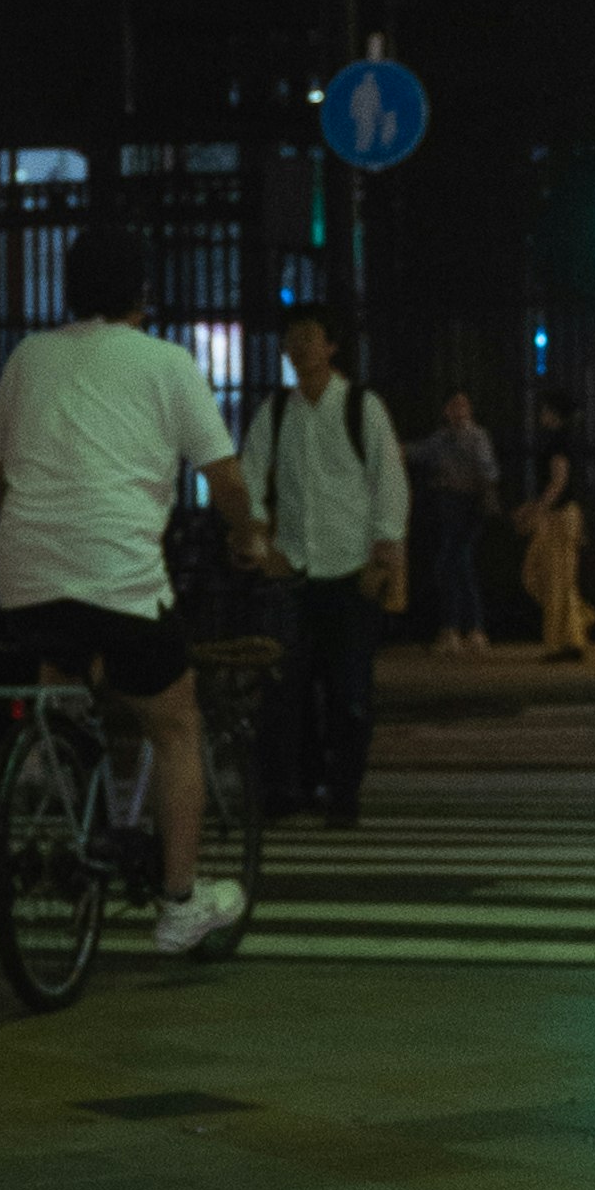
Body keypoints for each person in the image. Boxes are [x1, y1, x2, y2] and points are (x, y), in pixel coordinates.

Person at [0, 216, 265, 952]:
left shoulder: (28, 356)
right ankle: (178, 903)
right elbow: (224, 477)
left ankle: (64, 801)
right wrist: (247, 535)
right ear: (143, 287)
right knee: (175, 722)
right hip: (119, 575)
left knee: (68, 675)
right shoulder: (165, 363)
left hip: (24, 576)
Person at [240, 304, 411, 828]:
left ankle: (342, 791)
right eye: (291, 339)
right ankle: (296, 786)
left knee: (349, 692)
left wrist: (383, 556)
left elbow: (388, 482)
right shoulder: (275, 410)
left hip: (350, 570)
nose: (298, 348)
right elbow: (248, 474)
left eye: (309, 337)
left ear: (331, 347)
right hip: (294, 571)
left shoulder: (362, 406)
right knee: (287, 689)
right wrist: (260, 540)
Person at [411, 386, 503, 653]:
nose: (459, 411)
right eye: (454, 406)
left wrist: (487, 495)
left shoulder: (475, 436)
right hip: (450, 503)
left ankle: (461, 628)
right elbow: (418, 452)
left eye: (463, 406)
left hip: (467, 504)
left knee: (455, 561)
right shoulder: (441, 439)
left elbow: (487, 468)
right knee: (456, 562)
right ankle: (467, 628)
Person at [517, 412, 592, 663]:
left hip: (558, 517)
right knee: (557, 580)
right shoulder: (569, 443)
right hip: (563, 514)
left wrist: (535, 510)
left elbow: (558, 483)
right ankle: (574, 629)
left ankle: (561, 641)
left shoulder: (558, 445)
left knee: (550, 579)